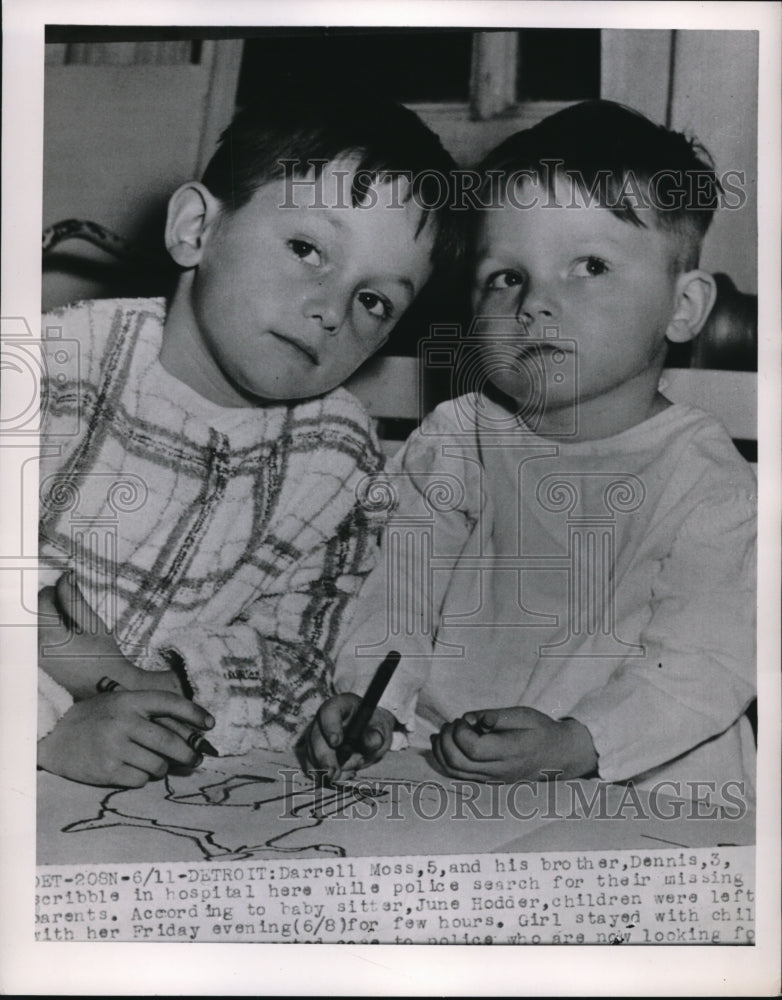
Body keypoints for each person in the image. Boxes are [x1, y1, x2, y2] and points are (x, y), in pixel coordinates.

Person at [307, 101, 757, 803]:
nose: (535, 303)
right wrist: (373, 703)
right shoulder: (459, 442)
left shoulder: (712, 485)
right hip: (444, 775)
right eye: (506, 276)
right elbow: (396, 596)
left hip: (640, 783)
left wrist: (579, 741)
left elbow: (710, 661)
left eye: (590, 265)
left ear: (685, 306)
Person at [37, 93, 462, 787]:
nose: (331, 310)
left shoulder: (340, 456)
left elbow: (298, 660)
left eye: (374, 301)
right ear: (197, 229)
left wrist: (136, 686)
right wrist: (46, 734)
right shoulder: (57, 362)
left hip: (149, 763)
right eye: (307, 249)